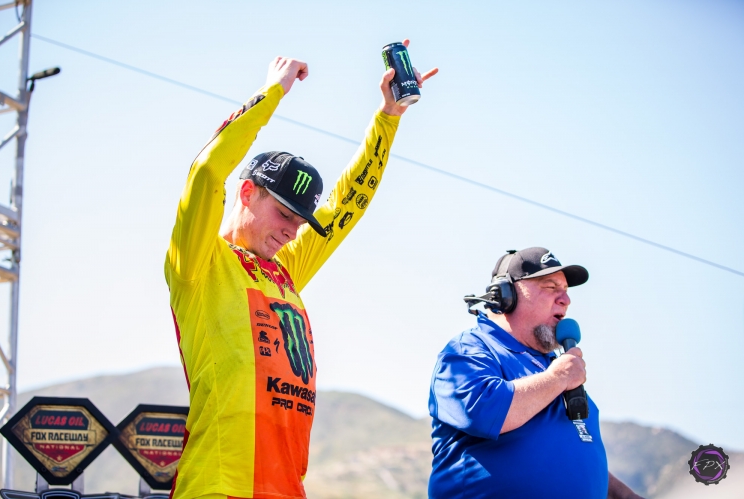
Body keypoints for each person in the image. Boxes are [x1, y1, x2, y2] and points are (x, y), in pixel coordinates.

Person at [165, 44, 437, 499]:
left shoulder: (285, 268)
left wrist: (388, 117)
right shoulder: (200, 263)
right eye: (284, 213)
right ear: (248, 192)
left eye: (299, 221)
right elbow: (206, 172)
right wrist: (272, 93)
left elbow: (349, 202)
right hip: (220, 488)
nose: (292, 232)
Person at [428, 247, 644, 499]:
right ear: (505, 296)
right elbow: (486, 412)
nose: (566, 299)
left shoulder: (554, 368)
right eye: (551, 287)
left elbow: (577, 460)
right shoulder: (469, 350)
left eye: (565, 291)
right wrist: (557, 378)